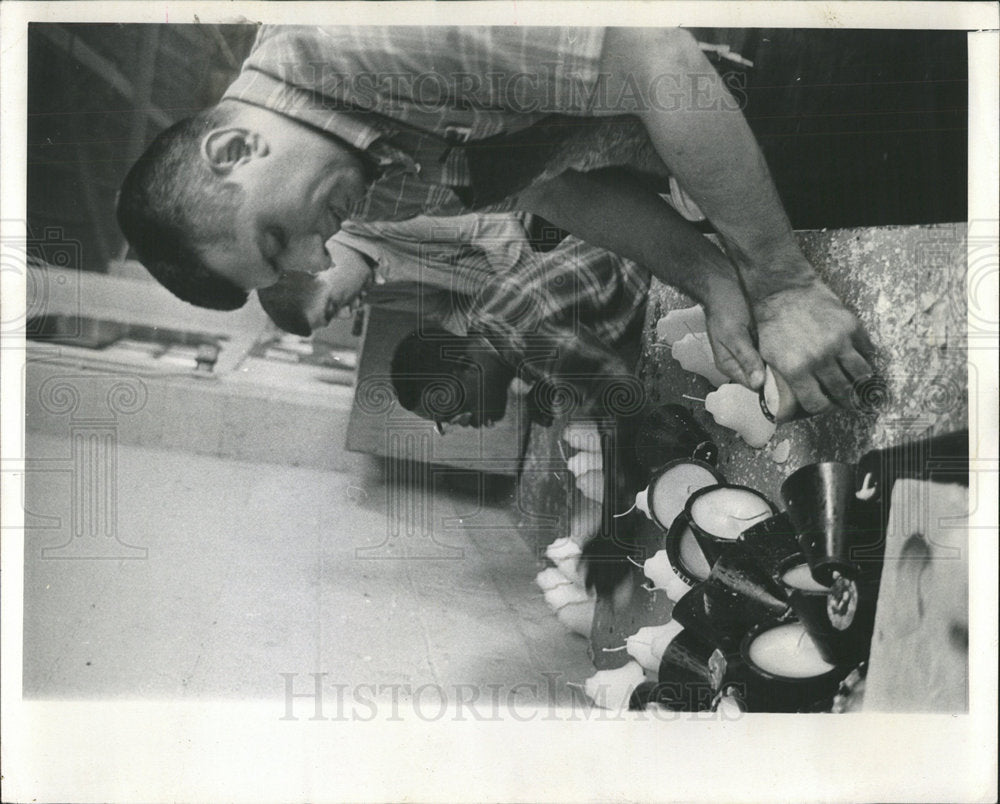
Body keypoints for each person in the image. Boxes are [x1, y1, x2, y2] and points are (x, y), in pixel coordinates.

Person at [117, 25, 875, 416]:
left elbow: (656, 56)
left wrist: (779, 285)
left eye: (276, 237)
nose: (319, 258)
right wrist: (711, 278)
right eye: (291, 266)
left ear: (235, 145)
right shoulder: (362, 184)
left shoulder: (355, 37)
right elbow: (557, 192)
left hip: (788, 45)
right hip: (730, 139)